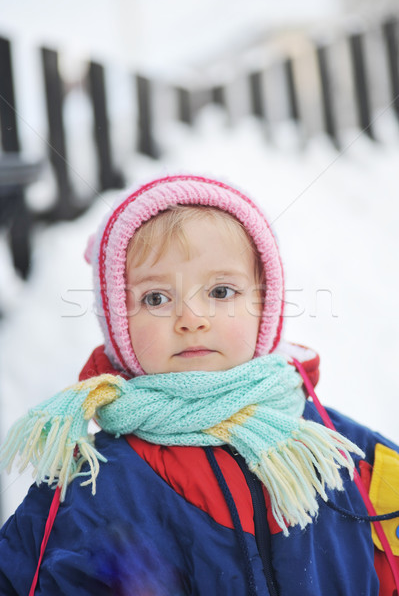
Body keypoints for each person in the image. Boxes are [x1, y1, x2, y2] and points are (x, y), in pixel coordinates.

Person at [0, 174, 398, 596]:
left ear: (264, 308)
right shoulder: (97, 489)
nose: (192, 318)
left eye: (221, 291)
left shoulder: (336, 448)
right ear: (118, 323)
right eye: (156, 298)